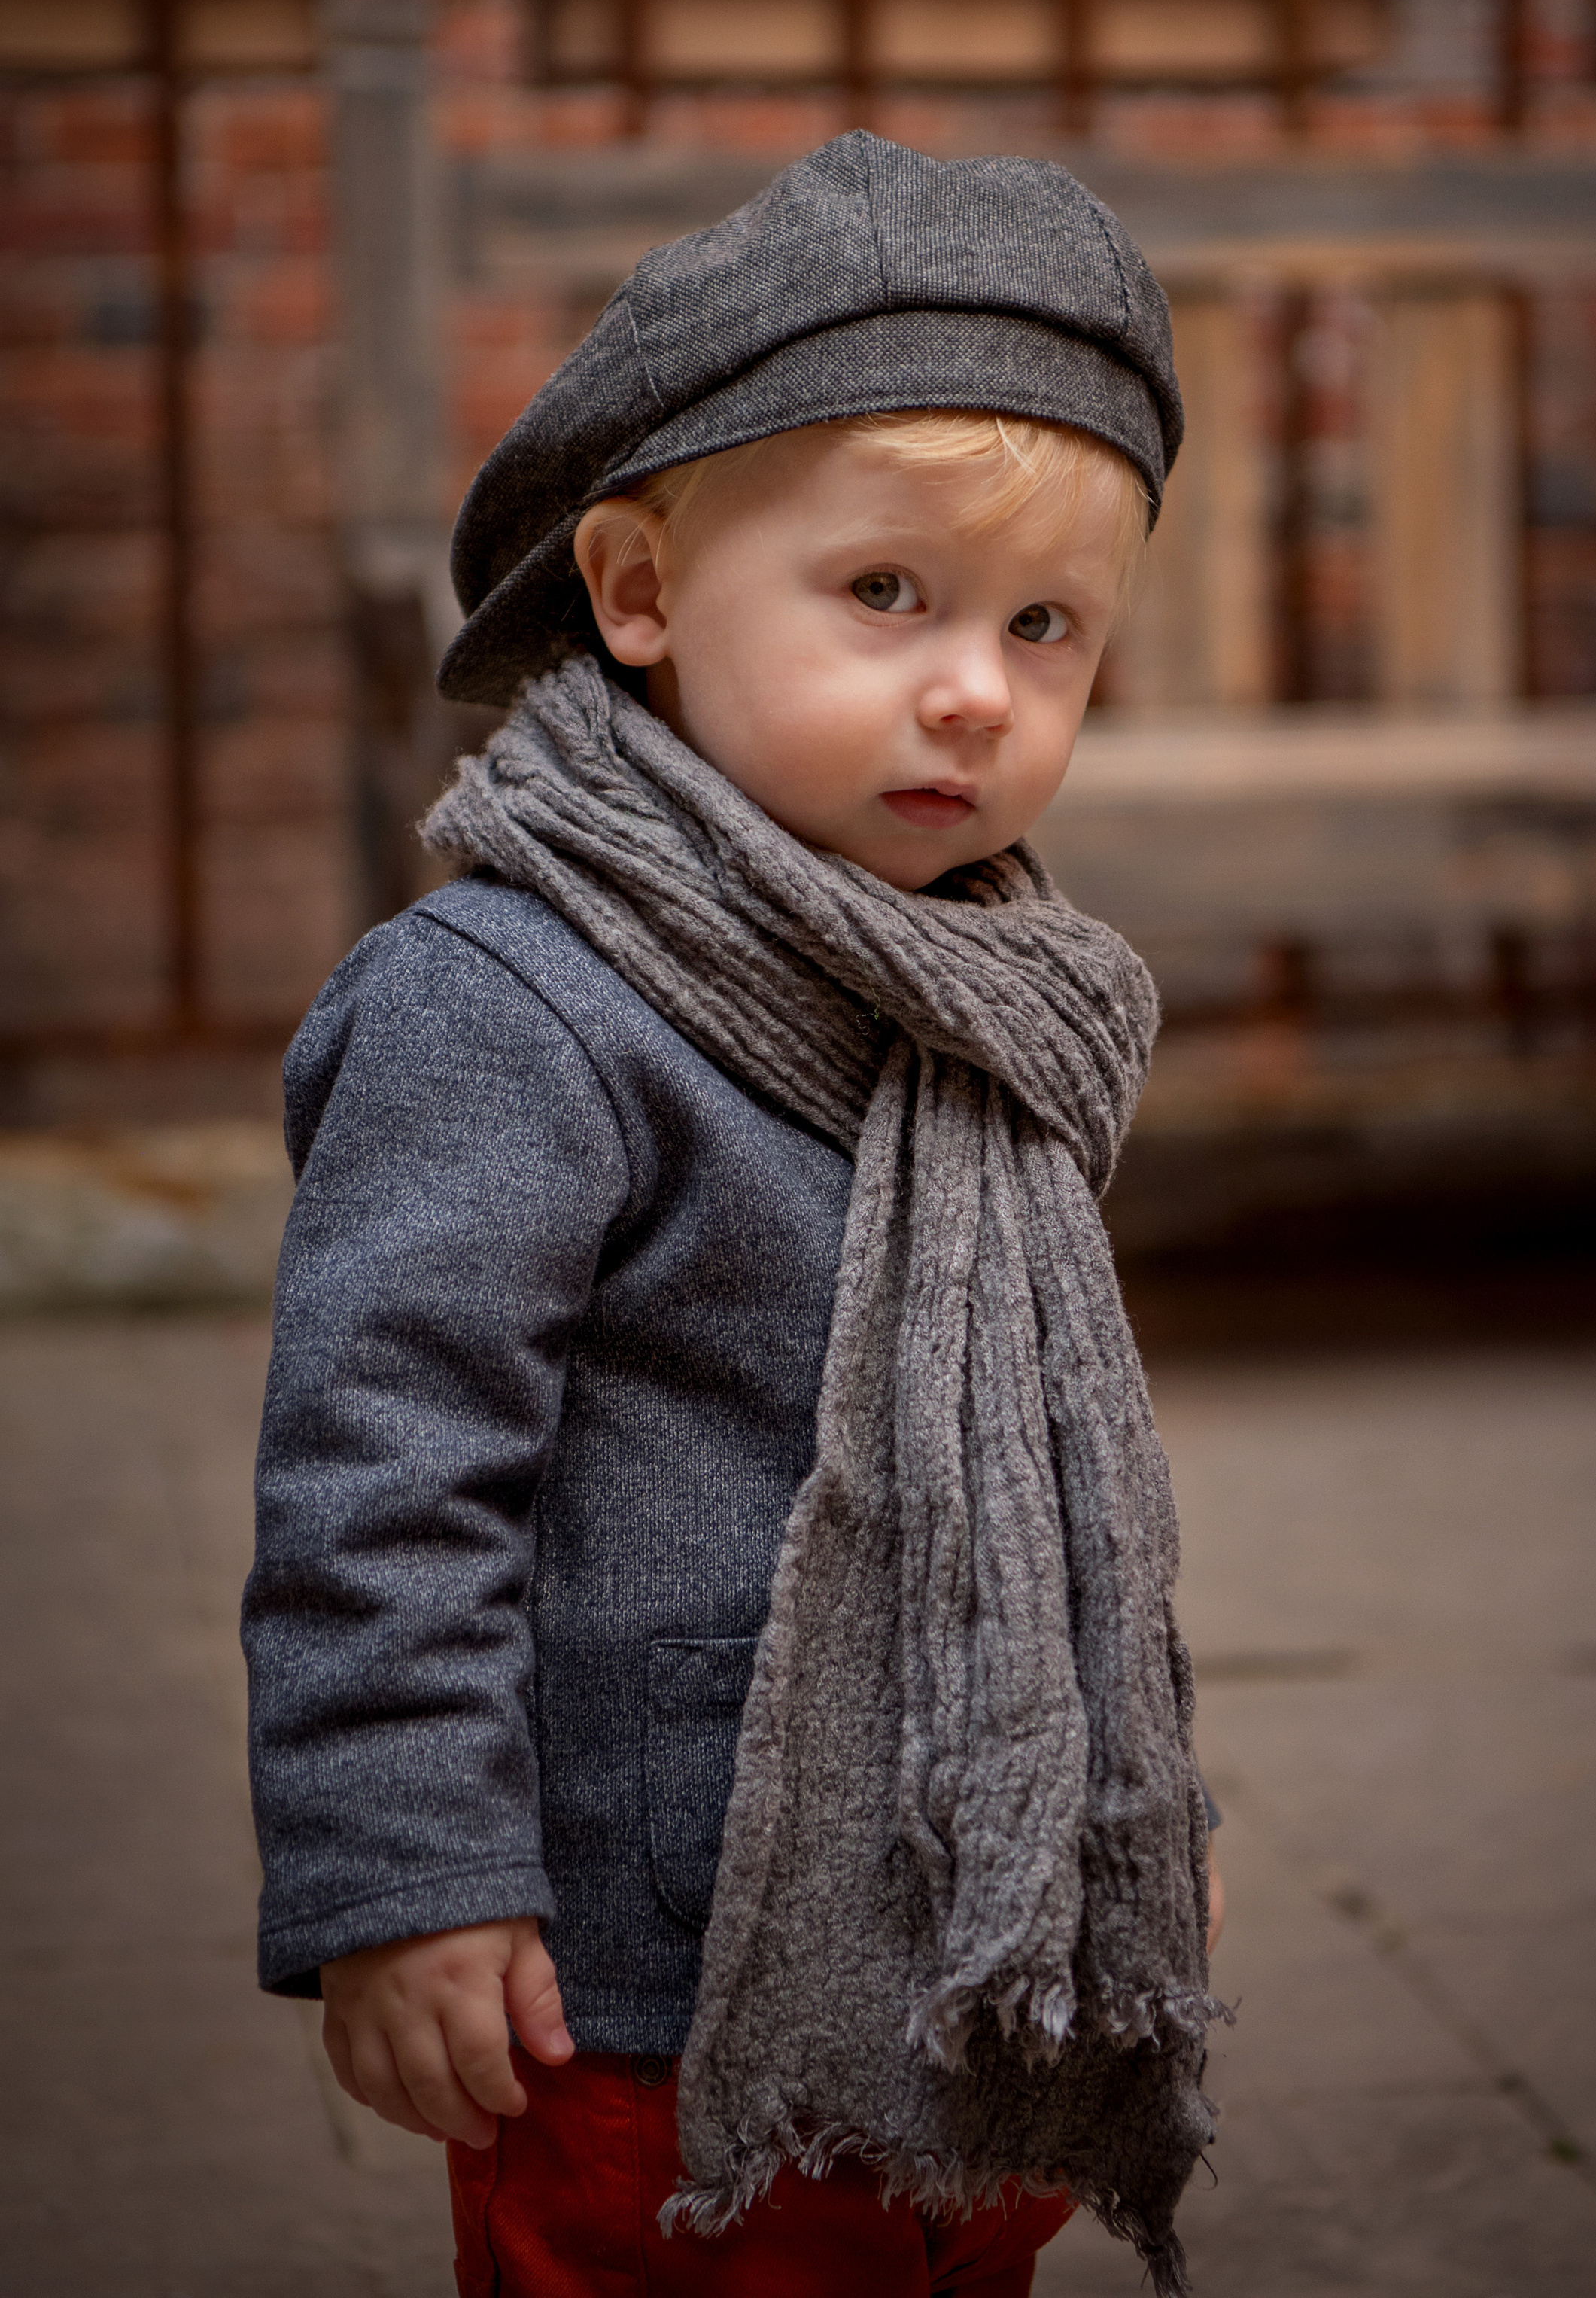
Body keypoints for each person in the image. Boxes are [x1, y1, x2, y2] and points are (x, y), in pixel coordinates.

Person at [242, 132, 1224, 2298]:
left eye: (1045, 625)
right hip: (647, 1986)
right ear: (639, 589)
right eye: (890, 592)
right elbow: (381, 1475)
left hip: (971, 1955)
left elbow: (1044, 1492)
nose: (977, 682)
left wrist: (1105, 1823)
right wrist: (403, 1876)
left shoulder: (978, 991)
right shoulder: (509, 1006)